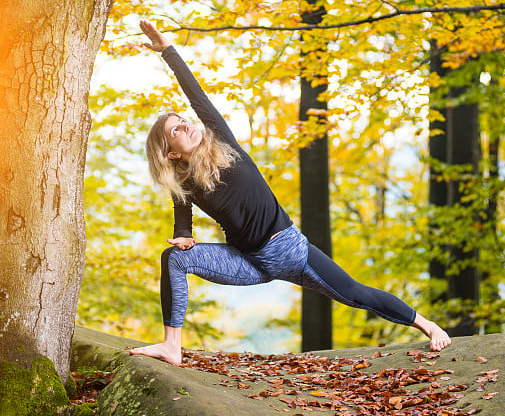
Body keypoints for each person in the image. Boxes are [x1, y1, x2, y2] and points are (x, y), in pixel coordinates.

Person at [129, 20, 451, 366]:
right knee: (174, 259)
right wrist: (183, 236)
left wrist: (168, 51)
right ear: (171, 152)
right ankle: (171, 346)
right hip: (246, 261)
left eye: (184, 120)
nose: (187, 124)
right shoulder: (183, 183)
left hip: (290, 251)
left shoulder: (222, 143)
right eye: (176, 129)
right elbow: (182, 213)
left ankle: (426, 324)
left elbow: (197, 96)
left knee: (356, 295)